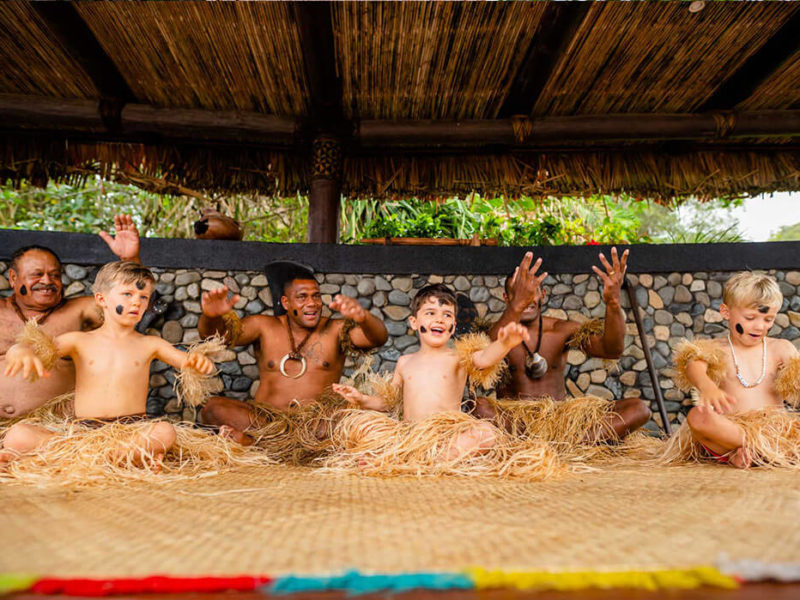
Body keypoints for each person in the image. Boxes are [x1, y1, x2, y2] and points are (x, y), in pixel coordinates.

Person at [327, 283, 559, 479]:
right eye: (430, 313)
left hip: (446, 437)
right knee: (357, 426)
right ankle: (412, 457)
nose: (439, 319)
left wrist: (505, 344)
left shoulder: (459, 356)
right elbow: (389, 403)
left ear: (453, 327)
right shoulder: (405, 362)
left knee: (485, 433)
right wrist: (361, 399)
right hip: (409, 435)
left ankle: (413, 463)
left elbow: (485, 358)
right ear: (414, 322)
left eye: (446, 315)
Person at [1, 261, 215, 473]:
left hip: (130, 430)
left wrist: (198, 362)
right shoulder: (78, 341)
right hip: (83, 433)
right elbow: (36, 348)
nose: (136, 303)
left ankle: (84, 459)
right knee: (18, 435)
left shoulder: (151, 344)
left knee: (165, 432)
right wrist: (20, 350)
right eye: (127, 294)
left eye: (143, 297)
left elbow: (186, 361)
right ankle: (119, 458)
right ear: (101, 299)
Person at [197, 263, 389, 445]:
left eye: (316, 296)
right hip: (266, 422)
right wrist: (211, 316)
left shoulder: (335, 329)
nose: (312, 303)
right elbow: (216, 337)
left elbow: (377, 339)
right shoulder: (263, 326)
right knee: (212, 409)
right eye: (302, 297)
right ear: (286, 302)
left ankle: (254, 444)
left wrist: (364, 318)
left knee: (351, 421)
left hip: (316, 424)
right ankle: (279, 444)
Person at [478, 249, 650, 444]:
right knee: (478, 407)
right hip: (515, 422)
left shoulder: (561, 329)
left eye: (531, 293)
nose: (526, 299)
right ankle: (558, 445)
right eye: (518, 293)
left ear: (542, 295)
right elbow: (481, 360)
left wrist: (613, 302)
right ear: (506, 298)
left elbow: (612, 351)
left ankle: (566, 445)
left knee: (638, 409)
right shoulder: (495, 334)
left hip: (560, 420)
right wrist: (517, 306)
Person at [0, 214, 142, 420]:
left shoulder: (79, 310)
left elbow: (126, 306)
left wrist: (129, 260)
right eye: (37, 274)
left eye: (55, 275)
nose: (47, 281)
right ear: (13, 278)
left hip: (52, 430)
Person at [665, 271, 800, 469]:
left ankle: (753, 453)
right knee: (697, 417)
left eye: (768, 319)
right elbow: (694, 365)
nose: (759, 326)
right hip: (731, 431)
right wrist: (707, 386)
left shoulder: (780, 348)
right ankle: (764, 452)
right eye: (750, 317)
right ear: (726, 312)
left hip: (775, 430)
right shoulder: (718, 348)